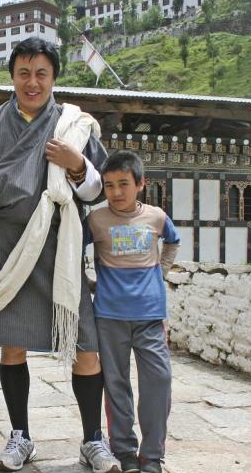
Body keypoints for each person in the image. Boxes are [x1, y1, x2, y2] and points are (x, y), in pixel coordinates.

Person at [0, 37, 119, 473]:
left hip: (61, 245)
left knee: (85, 347)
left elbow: (96, 188)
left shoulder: (74, 125)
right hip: (9, 246)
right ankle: (20, 436)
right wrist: (3, 179)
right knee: (12, 345)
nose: (32, 82)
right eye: (24, 73)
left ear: (54, 77)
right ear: (13, 77)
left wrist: (77, 165)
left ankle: (93, 440)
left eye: (41, 73)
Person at [85, 150, 180, 473]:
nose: (116, 192)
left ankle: (152, 456)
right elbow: (73, 246)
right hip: (109, 316)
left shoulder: (155, 216)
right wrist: (87, 282)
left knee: (159, 381)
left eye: (123, 183)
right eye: (109, 185)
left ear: (141, 183)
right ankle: (124, 452)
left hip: (150, 316)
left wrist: (161, 272)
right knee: (116, 385)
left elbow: (173, 241)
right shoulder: (96, 219)